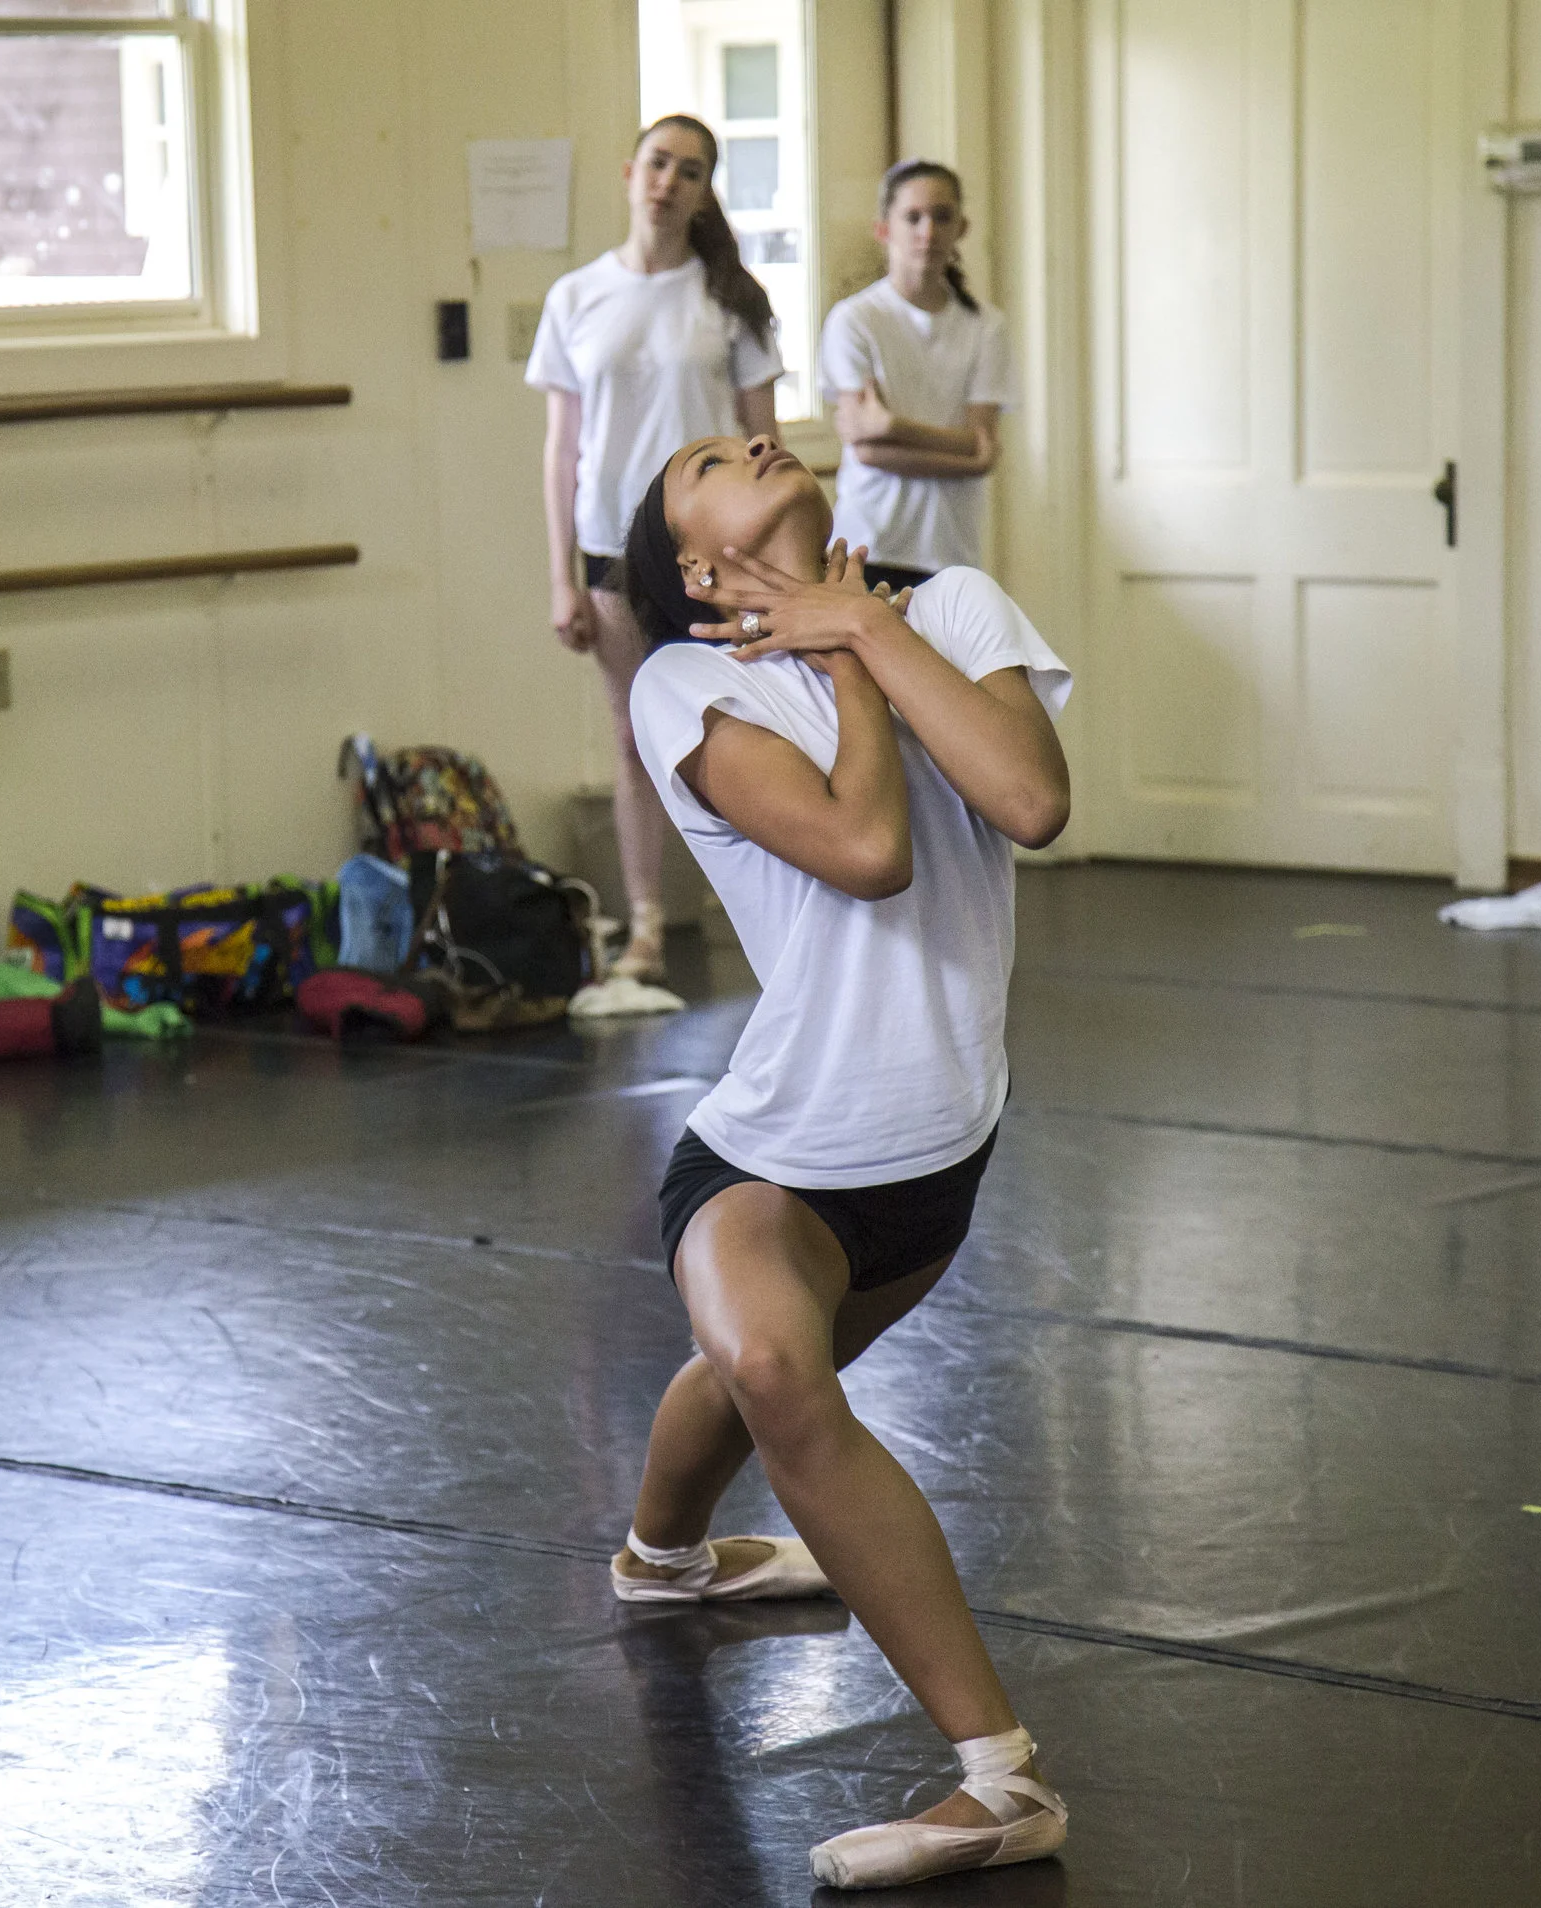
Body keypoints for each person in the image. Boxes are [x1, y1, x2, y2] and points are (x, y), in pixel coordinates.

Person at [609, 430, 1072, 1889]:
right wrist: (849, 657)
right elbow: (869, 848)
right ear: (697, 566)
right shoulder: (687, 686)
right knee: (770, 1365)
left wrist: (869, 624)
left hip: (933, 1159)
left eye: (751, 428)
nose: (753, 436)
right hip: (774, 1146)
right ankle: (1003, 1781)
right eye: (706, 459)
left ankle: (662, 1561)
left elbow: (1031, 802)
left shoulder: (955, 608)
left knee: (755, 1373)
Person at [526, 115, 784, 982]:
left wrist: (775, 566)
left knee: (741, 725)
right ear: (630, 172)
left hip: (713, 550)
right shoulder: (576, 297)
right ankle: (644, 923)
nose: (669, 182)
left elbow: (764, 443)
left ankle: (770, 918)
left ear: (706, 191)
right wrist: (560, 579)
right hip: (610, 545)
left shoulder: (730, 301)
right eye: (658, 164)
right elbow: (562, 450)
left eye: (691, 170)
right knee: (634, 732)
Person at [819, 159, 1015, 598]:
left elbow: (983, 447)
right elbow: (868, 450)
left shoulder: (986, 327)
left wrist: (891, 426)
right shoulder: (855, 320)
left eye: (942, 216)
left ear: (962, 227)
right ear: (883, 228)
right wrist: (967, 454)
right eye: (913, 217)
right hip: (869, 544)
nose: (928, 231)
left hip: (952, 551)